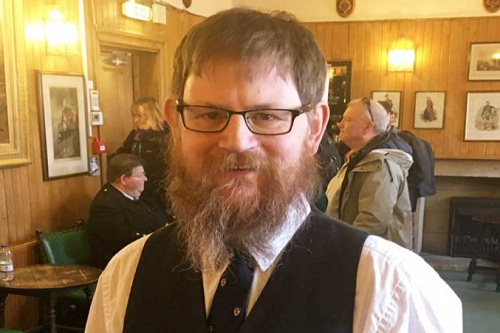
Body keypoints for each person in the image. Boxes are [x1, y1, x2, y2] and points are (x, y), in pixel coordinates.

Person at [85, 8, 461, 333]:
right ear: (175, 122)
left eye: (267, 115)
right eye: (209, 114)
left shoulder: (392, 291)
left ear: (314, 128)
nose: (236, 141)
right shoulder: (126, 276)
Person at [325, 98, 413, 249]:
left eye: (347, 119)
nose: (340, 124)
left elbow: (372, 222)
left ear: (367, 127)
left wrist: (340, 250)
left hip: (369, 259)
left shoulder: (381, 165)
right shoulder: (360, 158)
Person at [87, 154, 168, 269]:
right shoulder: (105, 206)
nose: (145, 179)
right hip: (124, 265)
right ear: (124, 179)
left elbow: (162, 219)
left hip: (150, 255)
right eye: (140, 175)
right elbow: (125, 242)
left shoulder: (143, 194)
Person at [108, 97, 171, 214]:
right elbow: (121, 155)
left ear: (151, 114)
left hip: (160, 190)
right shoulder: (135, 136)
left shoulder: (167, 136)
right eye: (134, 116)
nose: (136, 120)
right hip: (136, 189)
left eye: (139, 116)